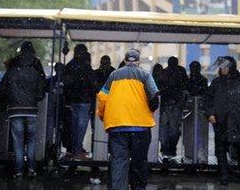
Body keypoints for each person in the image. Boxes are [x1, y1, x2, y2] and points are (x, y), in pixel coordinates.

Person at [96, 49, 159, 190]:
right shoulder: (145, 75)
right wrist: (149, 110)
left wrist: (102, 115)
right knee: (139, 162)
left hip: (117, 127)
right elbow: (154, 98)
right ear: (138, 61)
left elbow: (102, 97)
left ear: (124, 61)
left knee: (119, 162)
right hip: (141, 128)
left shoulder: (113, 75)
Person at [204, 56, 240, 185]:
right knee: (221, 149)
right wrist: (210, 114)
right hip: (222, 122)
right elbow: (207, 100)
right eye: (222, 67)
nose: (223, 69)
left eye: (225, 67)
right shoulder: (216, 83)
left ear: (231, 68)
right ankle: (224, 174)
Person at [0, 46, 47, 179]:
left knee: (18, 141)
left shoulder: (11, 72)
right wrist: (33, 98)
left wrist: (11, 98)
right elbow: (41, 93)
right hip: (32, 111)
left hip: (15, 110)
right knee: (31, 140)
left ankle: (19, 171)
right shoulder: (35, 72)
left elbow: (2, 89)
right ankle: (31, 169)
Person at [62, 47, 94, 159]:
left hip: (73, 101)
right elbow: (91, 83)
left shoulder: (71, 66)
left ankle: (75, 149)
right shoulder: (86, 67)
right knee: (80, 128)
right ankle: (77, 150)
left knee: (74, 128)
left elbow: (66, 82)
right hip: (84, 101)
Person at [155, 56, 188, 162]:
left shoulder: (164, 73)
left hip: (167, 106)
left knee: (167, 131)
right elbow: (185, 88)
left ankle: (166, 151)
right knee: (173, 131)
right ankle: (169, 151)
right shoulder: (180, 72)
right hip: (173, 106)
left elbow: (158, 88)